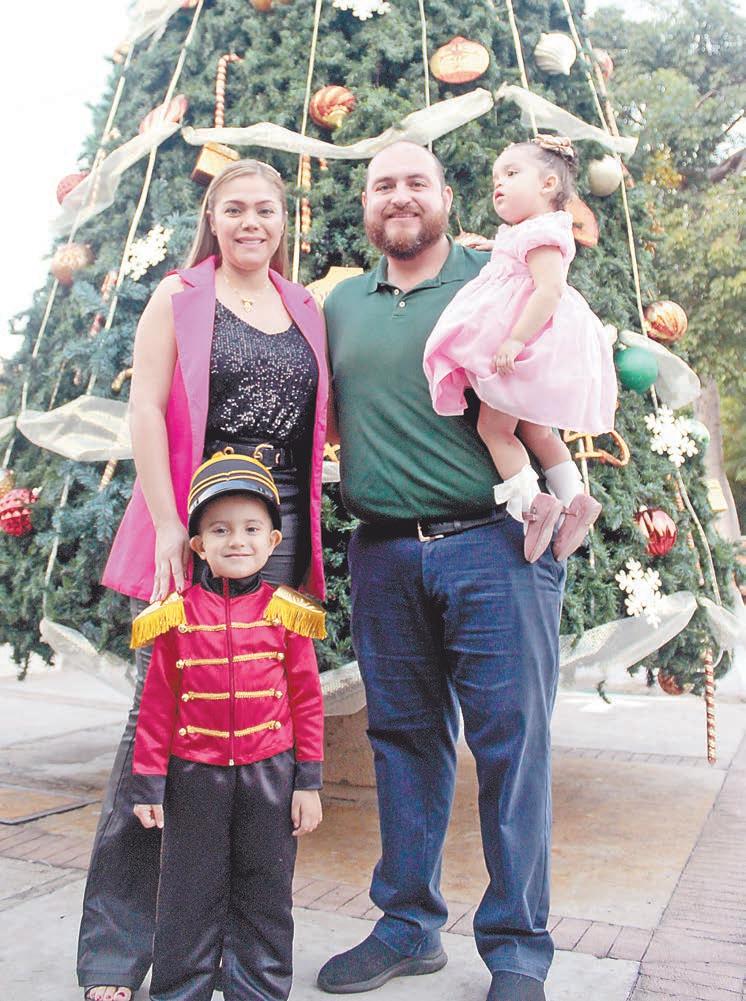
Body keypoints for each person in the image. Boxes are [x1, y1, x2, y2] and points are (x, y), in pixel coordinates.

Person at [318, 140, 564, 1001]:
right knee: (402, 741)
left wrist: (564, 487)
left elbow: (552, 374)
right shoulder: (341, 304)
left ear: (448, 197)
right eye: (382, 184)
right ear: (365, 203)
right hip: (383, 552)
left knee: (512, 746)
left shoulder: (498, 277)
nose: (400, 196)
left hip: (494, 548)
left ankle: (519, 949)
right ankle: (408, 925)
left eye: (416, 182)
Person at [78, 159, 328, 1001]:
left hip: (276, 539)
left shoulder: (304, 306)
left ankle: (237, 956)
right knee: (156, 732)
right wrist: (167, 524)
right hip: (196, 525)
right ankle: (116, 954)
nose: (251, 222)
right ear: (212, 219)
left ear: (284, 220)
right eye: (235, 209)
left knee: (260, 751)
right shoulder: (179, 295)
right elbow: (146, 408)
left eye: (266, 209)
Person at [131, 450, 324, 1001]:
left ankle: (259, 989)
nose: (237, 540)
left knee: (267, 889)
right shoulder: (175, 616)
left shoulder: (288, 613)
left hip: (271, 774)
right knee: (187, 889)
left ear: (272, 540)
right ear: (198, 545)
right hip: (194, 776)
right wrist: (149, 785)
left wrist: (308, 782)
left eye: (251, 528)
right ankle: (180, 989)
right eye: (220, 529)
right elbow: (157, 707)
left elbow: (307, 703)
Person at [423, 135, 616, 563]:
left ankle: (533, 508)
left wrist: (514, 339)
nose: (500, 183)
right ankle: (575, 499)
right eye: (497, 176)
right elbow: (521, 258)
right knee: (538, 432)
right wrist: (494, 247)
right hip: (537, 345)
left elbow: (548, 289)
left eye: (512, 173)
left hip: (526, 344)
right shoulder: (533, 231)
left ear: (548, 184)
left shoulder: (543, 233)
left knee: (495, 430)